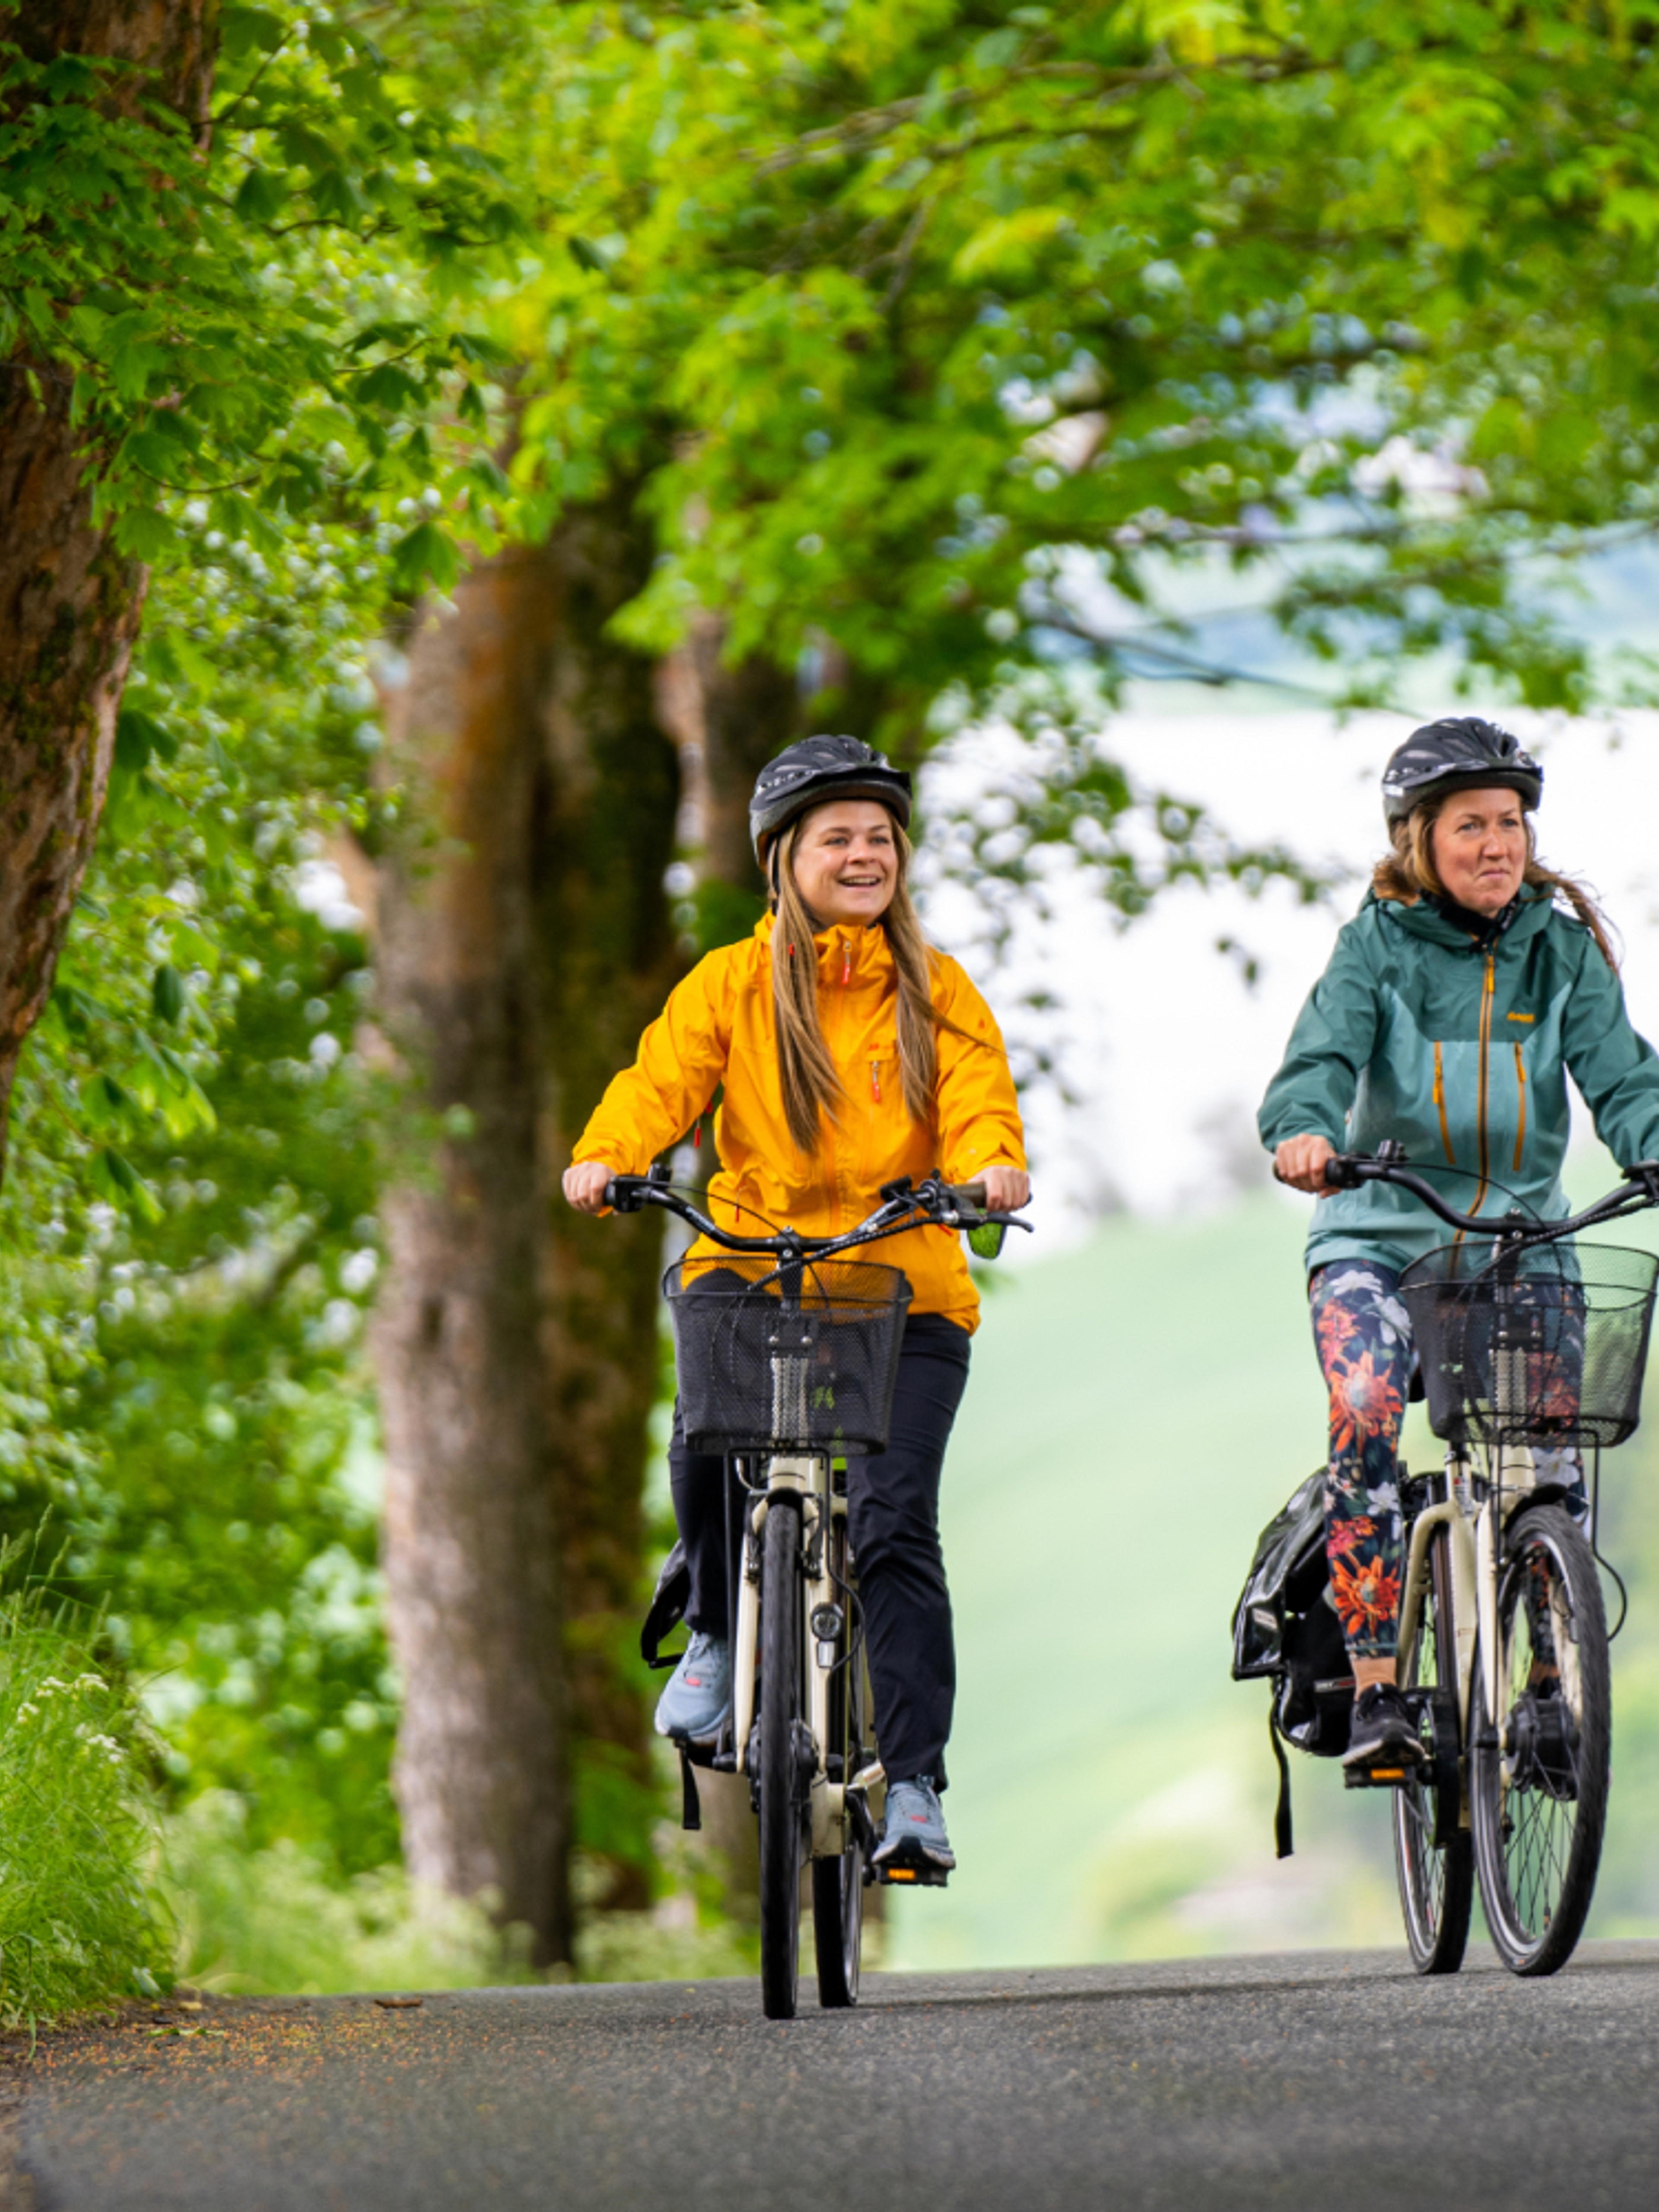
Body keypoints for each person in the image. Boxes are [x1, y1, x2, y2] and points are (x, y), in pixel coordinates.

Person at [563, 734, 1029, 1875]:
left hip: (901, 1286)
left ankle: (913, 1784)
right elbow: (658, 1082)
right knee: (703, 1433)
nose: (865, 855)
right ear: (785, 859)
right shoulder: (729, 982)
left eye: (881, 838)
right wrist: (605, 1156)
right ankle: (722, 1632)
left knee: (892, 1525)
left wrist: (991, 1168)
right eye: (840, 838)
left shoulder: (937, 987)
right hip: (758, 1263)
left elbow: (977, 1098)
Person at [1259, 717, 1659, 1776]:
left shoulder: (1559, 950)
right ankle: (1382, 1686)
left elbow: (1624, 1079)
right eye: (1472, 824)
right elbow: (1321, 1058)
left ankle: (1545, 1689)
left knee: (1553, 1460)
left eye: (1513, 823)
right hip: (1378, 1239)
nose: (1498, 843)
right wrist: (1303, 1133)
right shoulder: (1375, 947)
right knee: (1365, 1413)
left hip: (1522, 1243)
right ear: (1418, 839)